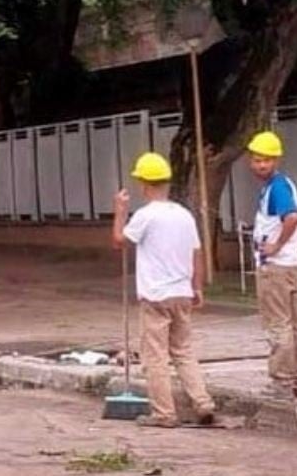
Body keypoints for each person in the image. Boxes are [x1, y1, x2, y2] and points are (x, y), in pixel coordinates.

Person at [112, 152, 216, 428]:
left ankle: (164, 413)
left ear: (144, 184)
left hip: (155, 296)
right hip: (182, 293)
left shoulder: (145, 216)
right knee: (183, 351)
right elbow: (196, 252)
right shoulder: (184, 215)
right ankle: (203, 402)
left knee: (155, 357)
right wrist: (197, 286)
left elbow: (119, 241)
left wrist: (120, 212)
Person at [247, 130, 297, 399]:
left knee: (278, 325)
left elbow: (292, 218)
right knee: (295, 325)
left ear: (276, 160)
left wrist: (275, 246)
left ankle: (282, 382)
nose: (261, 165)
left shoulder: (278, 188)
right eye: (257, 160)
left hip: (276, 266)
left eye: (266, 160)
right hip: (289, 264)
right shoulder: (280, 186)